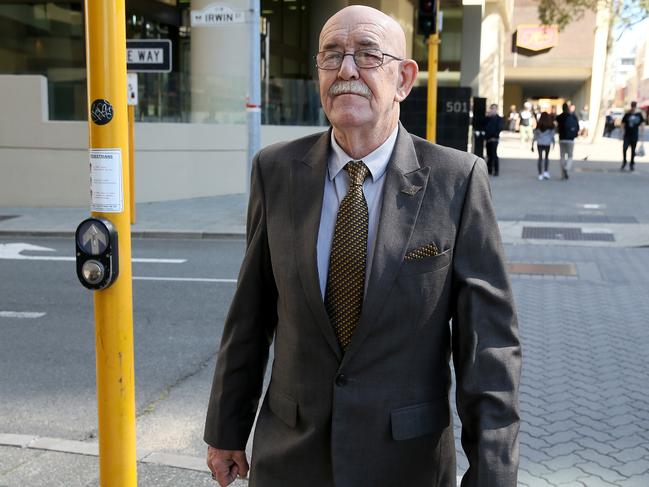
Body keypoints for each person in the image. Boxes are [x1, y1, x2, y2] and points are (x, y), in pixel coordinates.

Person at [204, 6, 521, 487]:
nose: (346, 69)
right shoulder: (275, 171)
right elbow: (250, 314)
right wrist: (226, 429)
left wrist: (492, 473)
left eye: (368, 55)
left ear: (404, 79)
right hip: (290, 456)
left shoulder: (457, 182)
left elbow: (487, 347)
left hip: (405, 463)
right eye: (332, 55)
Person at [555, 102, 580, 180]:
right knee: (570, 156)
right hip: (570, 139)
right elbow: (577, 127)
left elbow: (556, 127)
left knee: (562, 156)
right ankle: (567, 168)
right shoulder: (573, 116)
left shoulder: (559, 117)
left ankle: (563, 173)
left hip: (562, 139)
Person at [621, 101, 646, 171]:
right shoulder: (627, 114)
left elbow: (642, 124)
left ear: (636, 107)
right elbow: (622, 124)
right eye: (632, 106)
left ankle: (632, 164)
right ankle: (624, 161)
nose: (633, 108)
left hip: (634, 135)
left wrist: (642, 133)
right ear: (631, 106)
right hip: (627, 135)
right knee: (624, 148)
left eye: (634, 106)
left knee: (633, 150)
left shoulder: (639, 115)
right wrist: (622, 133)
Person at [533, 112, 555, 180]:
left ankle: (540, 174)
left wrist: (532, 144)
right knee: (546, 158)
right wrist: (553, 143)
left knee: (540, 158)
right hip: (547, 143)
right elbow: (552, 136)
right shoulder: (550, 126)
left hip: (540, 143)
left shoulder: (538, 125)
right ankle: (546, 172)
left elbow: (535, 136)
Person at [485, 103, 504, 176]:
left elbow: (499, 128)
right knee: (489, 155)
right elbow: (485, 127)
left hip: (494, 139)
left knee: (494, 155)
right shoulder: (488, 118)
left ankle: (496, 171)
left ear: (497, 109)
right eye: (492, 108)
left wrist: (494, 137)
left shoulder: (499, 118)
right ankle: (489, 170)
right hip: (488, 139)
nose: (493, 110)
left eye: (494, 108)